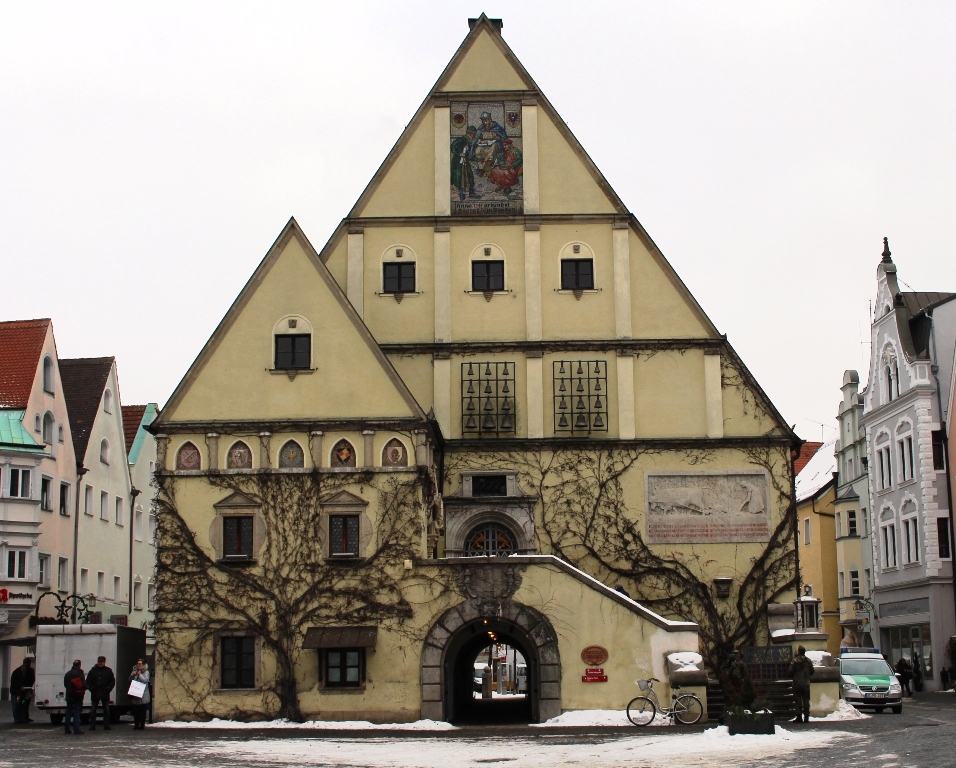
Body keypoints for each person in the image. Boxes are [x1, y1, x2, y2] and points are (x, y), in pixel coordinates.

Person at [86, 655, 115, 730]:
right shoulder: (93, 670)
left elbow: (112, 681)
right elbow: (88, 681)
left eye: (102, 662)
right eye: (99, 662)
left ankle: (106, 725)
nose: (100, 663)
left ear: (104, 662)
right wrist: (91, 689)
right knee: (93, 710)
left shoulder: (108, 671)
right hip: (95, 693)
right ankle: (92, 725)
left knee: (106, 710)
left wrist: (109, 688)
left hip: (105, 693)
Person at [787, 645, 814, 723]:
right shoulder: (808, 661)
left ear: (798, 651)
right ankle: (806, 717)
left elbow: (790, 672)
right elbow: (812, 671)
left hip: (797, 683)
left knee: (797, 700)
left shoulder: (795, 661)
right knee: (806, 700)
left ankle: (799, 717)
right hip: (806, 683)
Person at [451, 126, 478, 200]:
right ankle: (461, 193)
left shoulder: (469, 142)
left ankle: (471, 192)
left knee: (470, 175)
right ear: (469, 134)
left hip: (465, 161)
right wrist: (459, 153)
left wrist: (475, 159)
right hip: (458, 162)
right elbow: (452, 146)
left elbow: (468, 154)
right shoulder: (460, 140)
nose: (474, 137)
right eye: (473, 135)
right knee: (460, 177)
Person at [63, 659, 86, 735]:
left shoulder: (67, 673)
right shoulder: (80, 672)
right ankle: (76, 729)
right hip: (77, 695)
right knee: (77, 711)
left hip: (69, 695)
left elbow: (65, 684)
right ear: (79, 665)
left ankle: (67, 729)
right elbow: (83, 684)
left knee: (68, 711)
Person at [10, 657, 35, 724]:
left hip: (25, 692)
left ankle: (25, 717)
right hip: (17, 693)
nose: (26, 669)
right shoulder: (16, 672)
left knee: (25, 704)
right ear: (23, 665)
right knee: (17, 704)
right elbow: (13, 682)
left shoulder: (30, 671)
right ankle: (17, 718)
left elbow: (32, 680)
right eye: (25, 667)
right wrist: (20, 687)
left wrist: (28, 688)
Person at [128, 659, 151, 730]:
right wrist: (133, 674)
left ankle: (142, 724)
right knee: (135, 711)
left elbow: (145, 680)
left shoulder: (146, 672)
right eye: (138, 663)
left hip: (143, 694)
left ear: (143, 665)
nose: (138, 665)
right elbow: (129, 680)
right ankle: (136, 724)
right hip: (135, 693)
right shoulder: (134, 670)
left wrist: (139, 675)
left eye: (140, 664)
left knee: (142, 711)